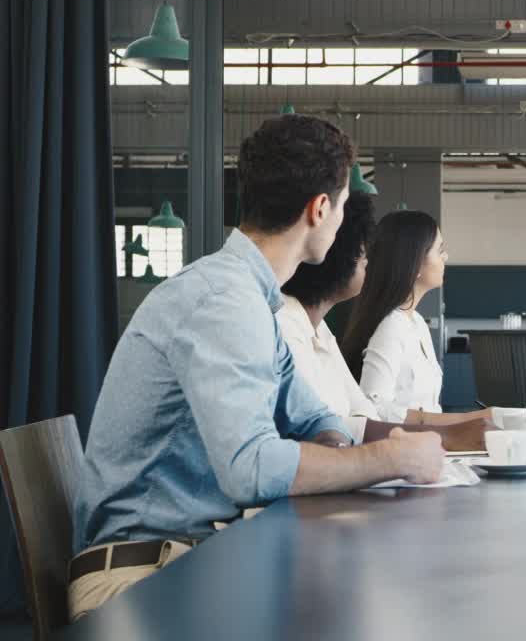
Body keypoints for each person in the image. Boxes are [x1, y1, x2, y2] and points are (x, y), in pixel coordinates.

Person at [71, 116, 446, 620]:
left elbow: (315, 417)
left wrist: (339, 448)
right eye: (340, 208)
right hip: (137, 581)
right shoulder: (223, 301)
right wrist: (391, 459)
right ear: (319, 210)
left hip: (190, 559)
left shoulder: (249, 299)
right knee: (355, 612)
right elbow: (250, 468)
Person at [279, 193, 490, 446]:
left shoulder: (321, 330)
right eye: (360, 252)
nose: (368, 262)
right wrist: (452, 431)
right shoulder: (287, 327)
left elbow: (363, 413)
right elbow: (342, 423)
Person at [342, 210, 461, 424]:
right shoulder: (391, 327)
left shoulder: (416, 322)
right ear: (415, 263)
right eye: (439, 250)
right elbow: (373, 405)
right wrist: (462, 421)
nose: (446, 257)